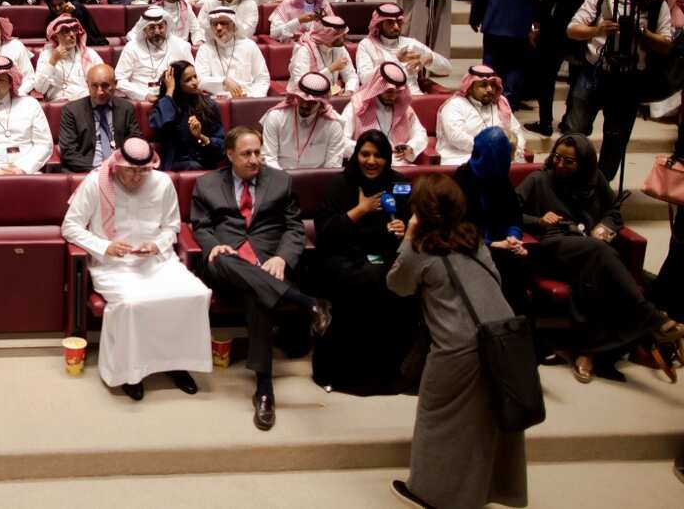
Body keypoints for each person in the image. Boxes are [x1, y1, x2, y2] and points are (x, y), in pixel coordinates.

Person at [386, 173, 528, 509]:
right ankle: (487, 492)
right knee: (487, 421)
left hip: (457, 348)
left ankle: (429, 494)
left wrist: (409, 236)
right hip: (503, 337)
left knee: (437, 420)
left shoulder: (420, 247)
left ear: (420, 211)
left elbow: (398, 284)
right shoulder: (473, 238)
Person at [191, 126, 327, 430]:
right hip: (226, 263)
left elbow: (294, 228)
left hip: (267, 265)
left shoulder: (280, 181)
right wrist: (213, 246)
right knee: (221, 259)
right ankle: (307, 302)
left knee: (257, 292)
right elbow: (200, 226)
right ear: (230, 155)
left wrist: (282, 258)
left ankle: (264, 388)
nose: (254, 159)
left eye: (257, 152)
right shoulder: (207, 184)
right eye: (246, 154)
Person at [518, 134, 684, 380]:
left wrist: (604, 228)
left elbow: (613, 212)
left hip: (590, 250)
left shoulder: (595, 181)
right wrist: (538, 220)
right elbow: (508, 211)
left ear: (584, 164)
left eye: (568, 161)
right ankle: (652, 319)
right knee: (601, 254)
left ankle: (587, 351)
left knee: (596, 269)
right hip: (552, 247)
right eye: (557, 157)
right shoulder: (538, 179)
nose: (560, 164)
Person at [63, 136, 212, 398]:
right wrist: (104, 246)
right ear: (118, 164)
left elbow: (172, 227)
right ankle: (130, 373)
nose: (136, 177)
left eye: (143, 171)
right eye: (131, 170)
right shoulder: (96, 183)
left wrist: (156, 245)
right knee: (132, 303)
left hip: (157, 261)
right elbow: (70, 227)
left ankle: (177, 364)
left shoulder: (162, 182)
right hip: (112, 265)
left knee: (196, 294)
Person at [311, 131, 420, 395]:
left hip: (386, 255)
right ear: (356, 155)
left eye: (378, 155)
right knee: (365, 279)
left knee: (391, 279)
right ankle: (348, 371)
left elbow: (414, 224)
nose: (371, 161)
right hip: (343, 257)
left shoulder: (400, 185)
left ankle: (390, 369)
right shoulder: (340, 185)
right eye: (365, 154)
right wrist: (359, 211)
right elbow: (325, 234)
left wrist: (403, 230)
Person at [566, 0, 673, 180]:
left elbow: (666, 44)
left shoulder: (657, 5)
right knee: (576, 132)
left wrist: (642, 32)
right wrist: (597, 30)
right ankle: (571, 182)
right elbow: (572, 29)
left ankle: (600, 187)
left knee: (616, 140)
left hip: (629, 79)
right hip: (595, 72)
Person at [527, 0, 614, 136]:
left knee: (547, 75)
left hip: (558, 23)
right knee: (577, 76)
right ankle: (569, 120)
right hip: (587, 25)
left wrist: (537, 24)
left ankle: (545, 122)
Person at [436, 65, 528, 166]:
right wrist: (490, 148)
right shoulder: (455, 105)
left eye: (492, 85)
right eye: (483, 85)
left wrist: (517, 149)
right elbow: (456, 137)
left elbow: (516, 131)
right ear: (470, 88)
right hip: (463, 159)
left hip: (500, 158)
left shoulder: (501, 105)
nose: (489, 89)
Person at [59, 63, 141, 172]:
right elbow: (68, 151)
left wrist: (122, 166)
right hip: (86, 171)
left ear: (115, 84)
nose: (100, 92)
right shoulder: (72, 111)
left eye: (105, 85)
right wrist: (97, 170)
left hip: (120, 170)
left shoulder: (126, 108)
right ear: (88, 85)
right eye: (94, 86)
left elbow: (136, 142)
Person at [340, 61, 427, 164]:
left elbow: (420, 133)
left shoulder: (403, 107)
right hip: (365, 164)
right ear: (378, 87)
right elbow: (341, 141)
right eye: (389, 92)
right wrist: (368, 150)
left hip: (398, 164)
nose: (393, 97)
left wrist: (411, 147)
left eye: (397, 92)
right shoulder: (357, 106)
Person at [355, 2, 451, 95]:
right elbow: (365, 79)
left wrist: (430, 59)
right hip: (384, 98)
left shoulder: (411, 44)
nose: (396, 27)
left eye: (399, 22)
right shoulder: (366, 45)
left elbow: (447, 69)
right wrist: (396, 60)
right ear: (379, 24)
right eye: (390, 22)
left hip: (414, 96)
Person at [260, 72, 347, 170]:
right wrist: (283, 178)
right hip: (279, 175)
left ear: (322, 103)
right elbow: (269, 159)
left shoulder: (333, 125)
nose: (305, 105)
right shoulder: (276, 117)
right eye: (301, 99)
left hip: (318, 178)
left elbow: (333, 165)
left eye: (312, 103)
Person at [150, 61, 225, 171]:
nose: (194, 82)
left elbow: (222, 145)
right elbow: (160, 126)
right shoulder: (164, 104)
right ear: (176, 84)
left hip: (205, 163)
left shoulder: (209, 105)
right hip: (175, 165)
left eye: (195, 77)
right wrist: (169, 91)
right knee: (192, 166)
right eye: (188, 80)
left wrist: (200, 137)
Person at [115, 6, 195, 101]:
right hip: (140, 100)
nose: (157, 32)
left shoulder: (181, 46)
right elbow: (119, 80)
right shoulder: (132, 47)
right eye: (152, 27)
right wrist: (144, 95)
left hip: (174, 99)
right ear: (144, 29)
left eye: (161, 27)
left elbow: (193, 76)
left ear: (166, 26)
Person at [195, 6, 270, 98]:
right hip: (217, 100)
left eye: (223, 23)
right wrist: (223, 81)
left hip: (247, 98)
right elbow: (200, 80)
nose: (218, 28)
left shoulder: (249, 46)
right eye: (214, 24)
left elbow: (262, 78)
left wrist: (253, 97)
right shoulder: (205, 49)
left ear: (234, 25)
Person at [34, 14, 105, 102]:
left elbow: (103, 78)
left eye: (74, 30)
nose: (72, 34)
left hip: (86, 101)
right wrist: (53, 60)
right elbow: (39, 88)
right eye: (66, 31)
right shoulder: (47, 55)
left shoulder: (90, 54)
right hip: (59, 103)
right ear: (55, 36)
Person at [289, 15, 357, 95]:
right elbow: (302, 84)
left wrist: (349, 91)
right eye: (341, 35)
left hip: (329, 96)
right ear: (328, 36)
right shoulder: (304, 50)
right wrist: (331, 69)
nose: (345, 37)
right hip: (306, 98)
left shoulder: (339, 48)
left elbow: (351, 76)